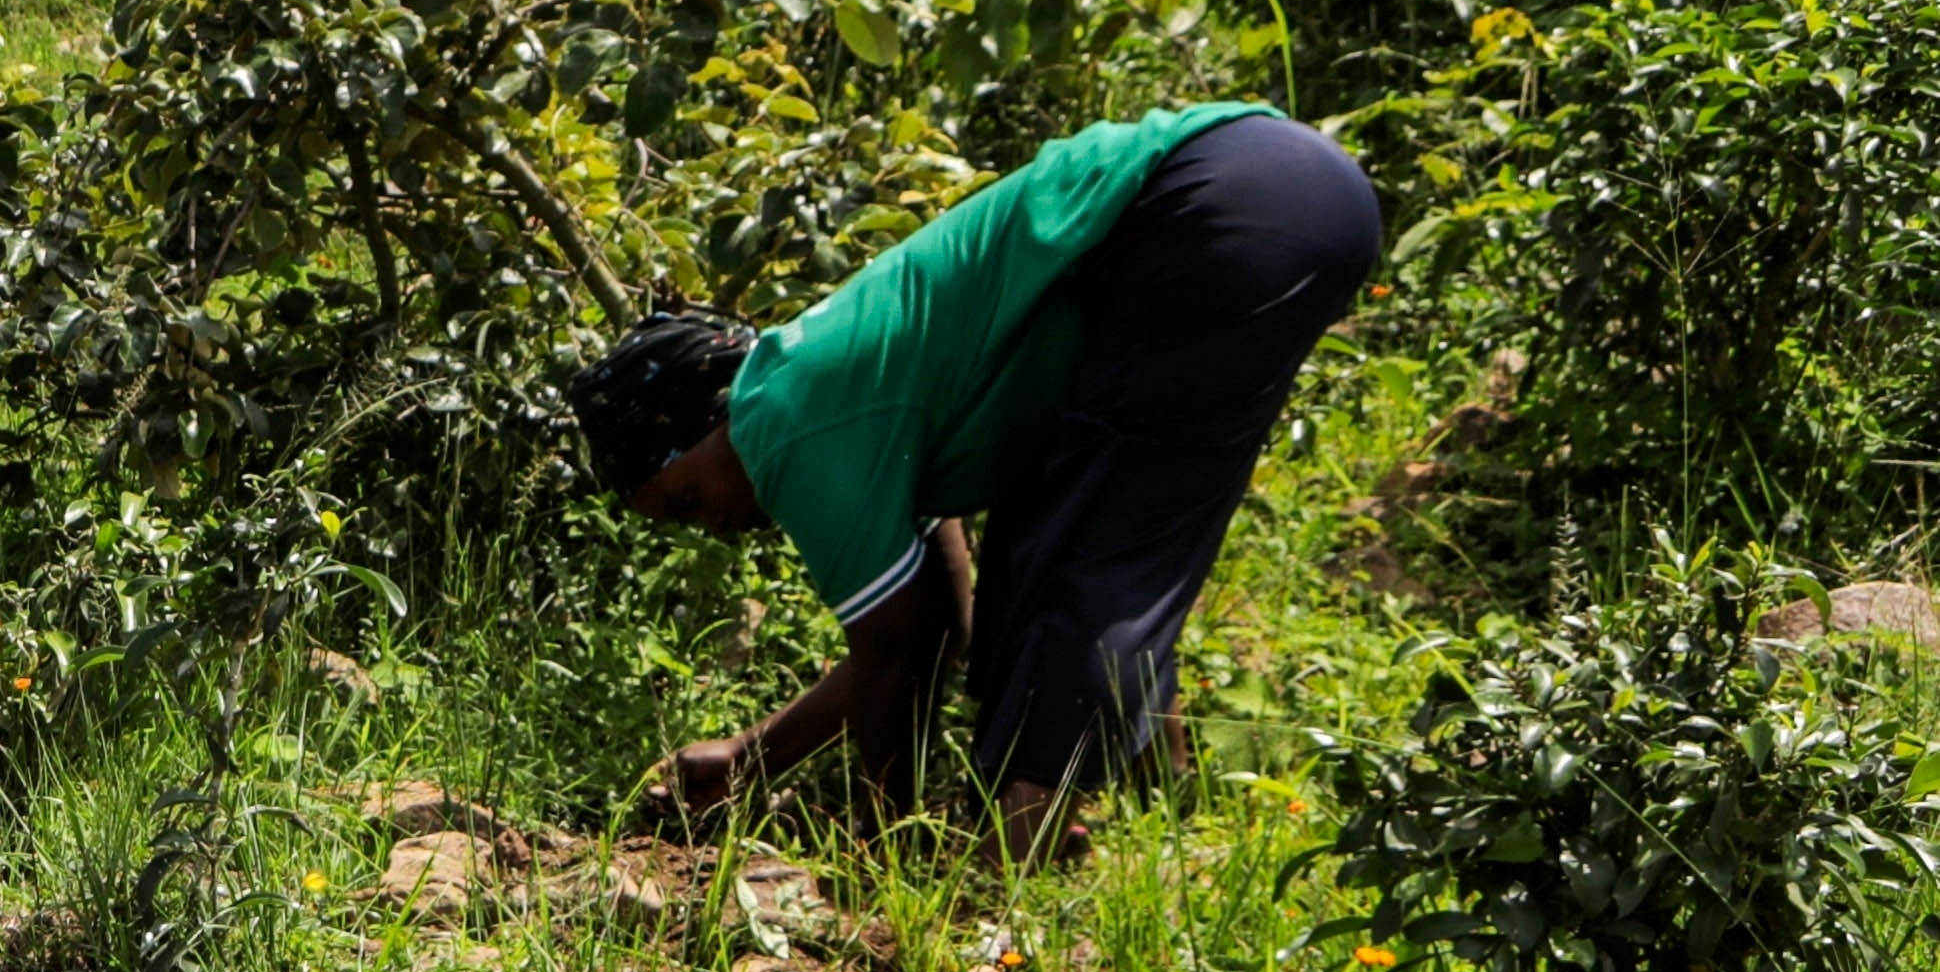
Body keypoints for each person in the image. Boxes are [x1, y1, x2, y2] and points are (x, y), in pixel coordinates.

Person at [575, 103, 1384, 852]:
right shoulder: (844, 387)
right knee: (1042, 560)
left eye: (689, 499)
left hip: (1213, 202)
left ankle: (1013, 883)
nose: (714, 524)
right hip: (1269, 182)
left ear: (708, 421)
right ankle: (1164, 823)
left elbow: (895, 646)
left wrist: (882, 846)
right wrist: (752, 757)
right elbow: (937, 624)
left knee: (1086, 560)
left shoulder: (780, 424)